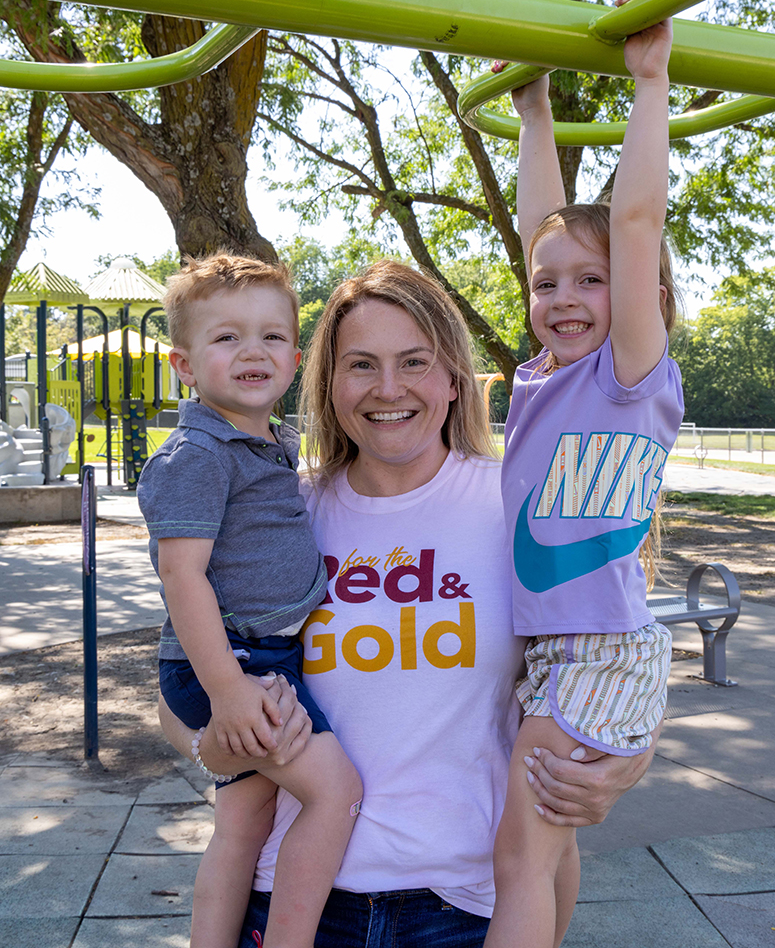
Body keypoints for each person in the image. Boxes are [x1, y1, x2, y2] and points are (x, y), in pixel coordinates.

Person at [160, 258, 664, 948]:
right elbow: (181, 672)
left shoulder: (518, 507)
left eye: (414, 362)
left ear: (454, 379)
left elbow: (612, 650)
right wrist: (213, 742)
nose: (388, 389)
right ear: (328, 382)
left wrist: (631, 757)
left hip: (459, 906)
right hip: (296, 905)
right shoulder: (279, 508)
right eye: (361, 364)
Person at [485, 0, 682, 948]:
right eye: (547, 283)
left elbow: (635, 220)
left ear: (641, 295)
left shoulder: (627, 376)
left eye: (591, 281)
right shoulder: (545, 380)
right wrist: (534, 113)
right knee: (549, 853)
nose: (563, 297)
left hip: (598, 649)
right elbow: (542, 226)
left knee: (519, 858)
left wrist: (650, 84)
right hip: (558, 649)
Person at [137, 253, 362, 948]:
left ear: (295, 359)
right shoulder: (197, 455)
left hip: (255, 656)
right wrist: (230, 692)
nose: (252, 351)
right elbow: (182, 579)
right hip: (233, 663)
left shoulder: (264, 444)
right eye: (226, 337)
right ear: (183, 364)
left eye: (269, 336)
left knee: (243, 819)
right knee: (334, 792)